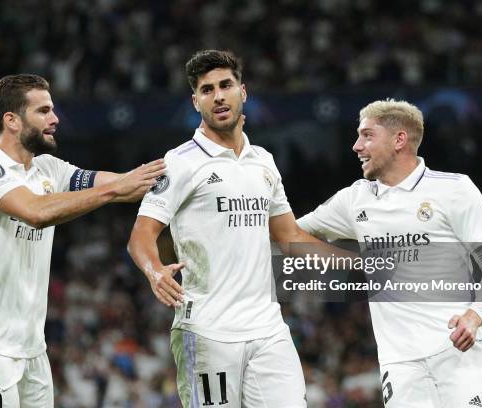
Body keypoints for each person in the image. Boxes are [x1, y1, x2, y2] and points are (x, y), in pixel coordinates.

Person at [127, 50, 337, 408]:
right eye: (207, 90)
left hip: (268, 329)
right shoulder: (180, 162)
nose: (219, 96)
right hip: (208, 332)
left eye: (226, 85)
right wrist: (154, 271)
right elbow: (140, 237)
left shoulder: (264, 162)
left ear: (243, 91)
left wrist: (362, 263)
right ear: (196, 102)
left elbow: (290, 237)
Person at [0, 74, 165, 407]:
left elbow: (123, 184)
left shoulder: (48, 168)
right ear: (12, 121)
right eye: (44, 111)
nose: (55, 119)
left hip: (31, 347)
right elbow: (35, 211)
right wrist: (116, 188)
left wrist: (173, 176)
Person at [297, 99, 482, 407]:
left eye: (366, 135)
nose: (356, 146)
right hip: (399, 364)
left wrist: (475, 315)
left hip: (456, 351)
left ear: (399, 140)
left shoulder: (455, 190)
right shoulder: (354, 200)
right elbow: (290, 232)